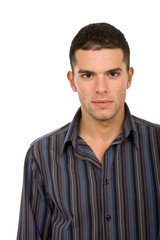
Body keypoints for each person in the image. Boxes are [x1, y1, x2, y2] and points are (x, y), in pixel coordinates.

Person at [17, 23, 160, 240]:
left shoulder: (157, 145)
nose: (101, 88)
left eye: (112, 73)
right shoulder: (42, 155)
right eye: (87, 75)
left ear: (129, 77)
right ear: (72, 80)